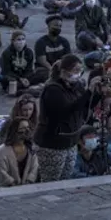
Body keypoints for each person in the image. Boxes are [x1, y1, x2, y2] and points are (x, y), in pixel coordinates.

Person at [34, 54, 91, 183]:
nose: (78, 74)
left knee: (65, 179)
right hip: (53, 143)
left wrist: (96, 93)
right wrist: (88, 93)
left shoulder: (76, 87)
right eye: (75, 70)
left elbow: (86, 106)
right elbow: (66, 111)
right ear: (64, 71)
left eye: (80, 71)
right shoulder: (53, 89)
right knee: (51, 180)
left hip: (70, 141)